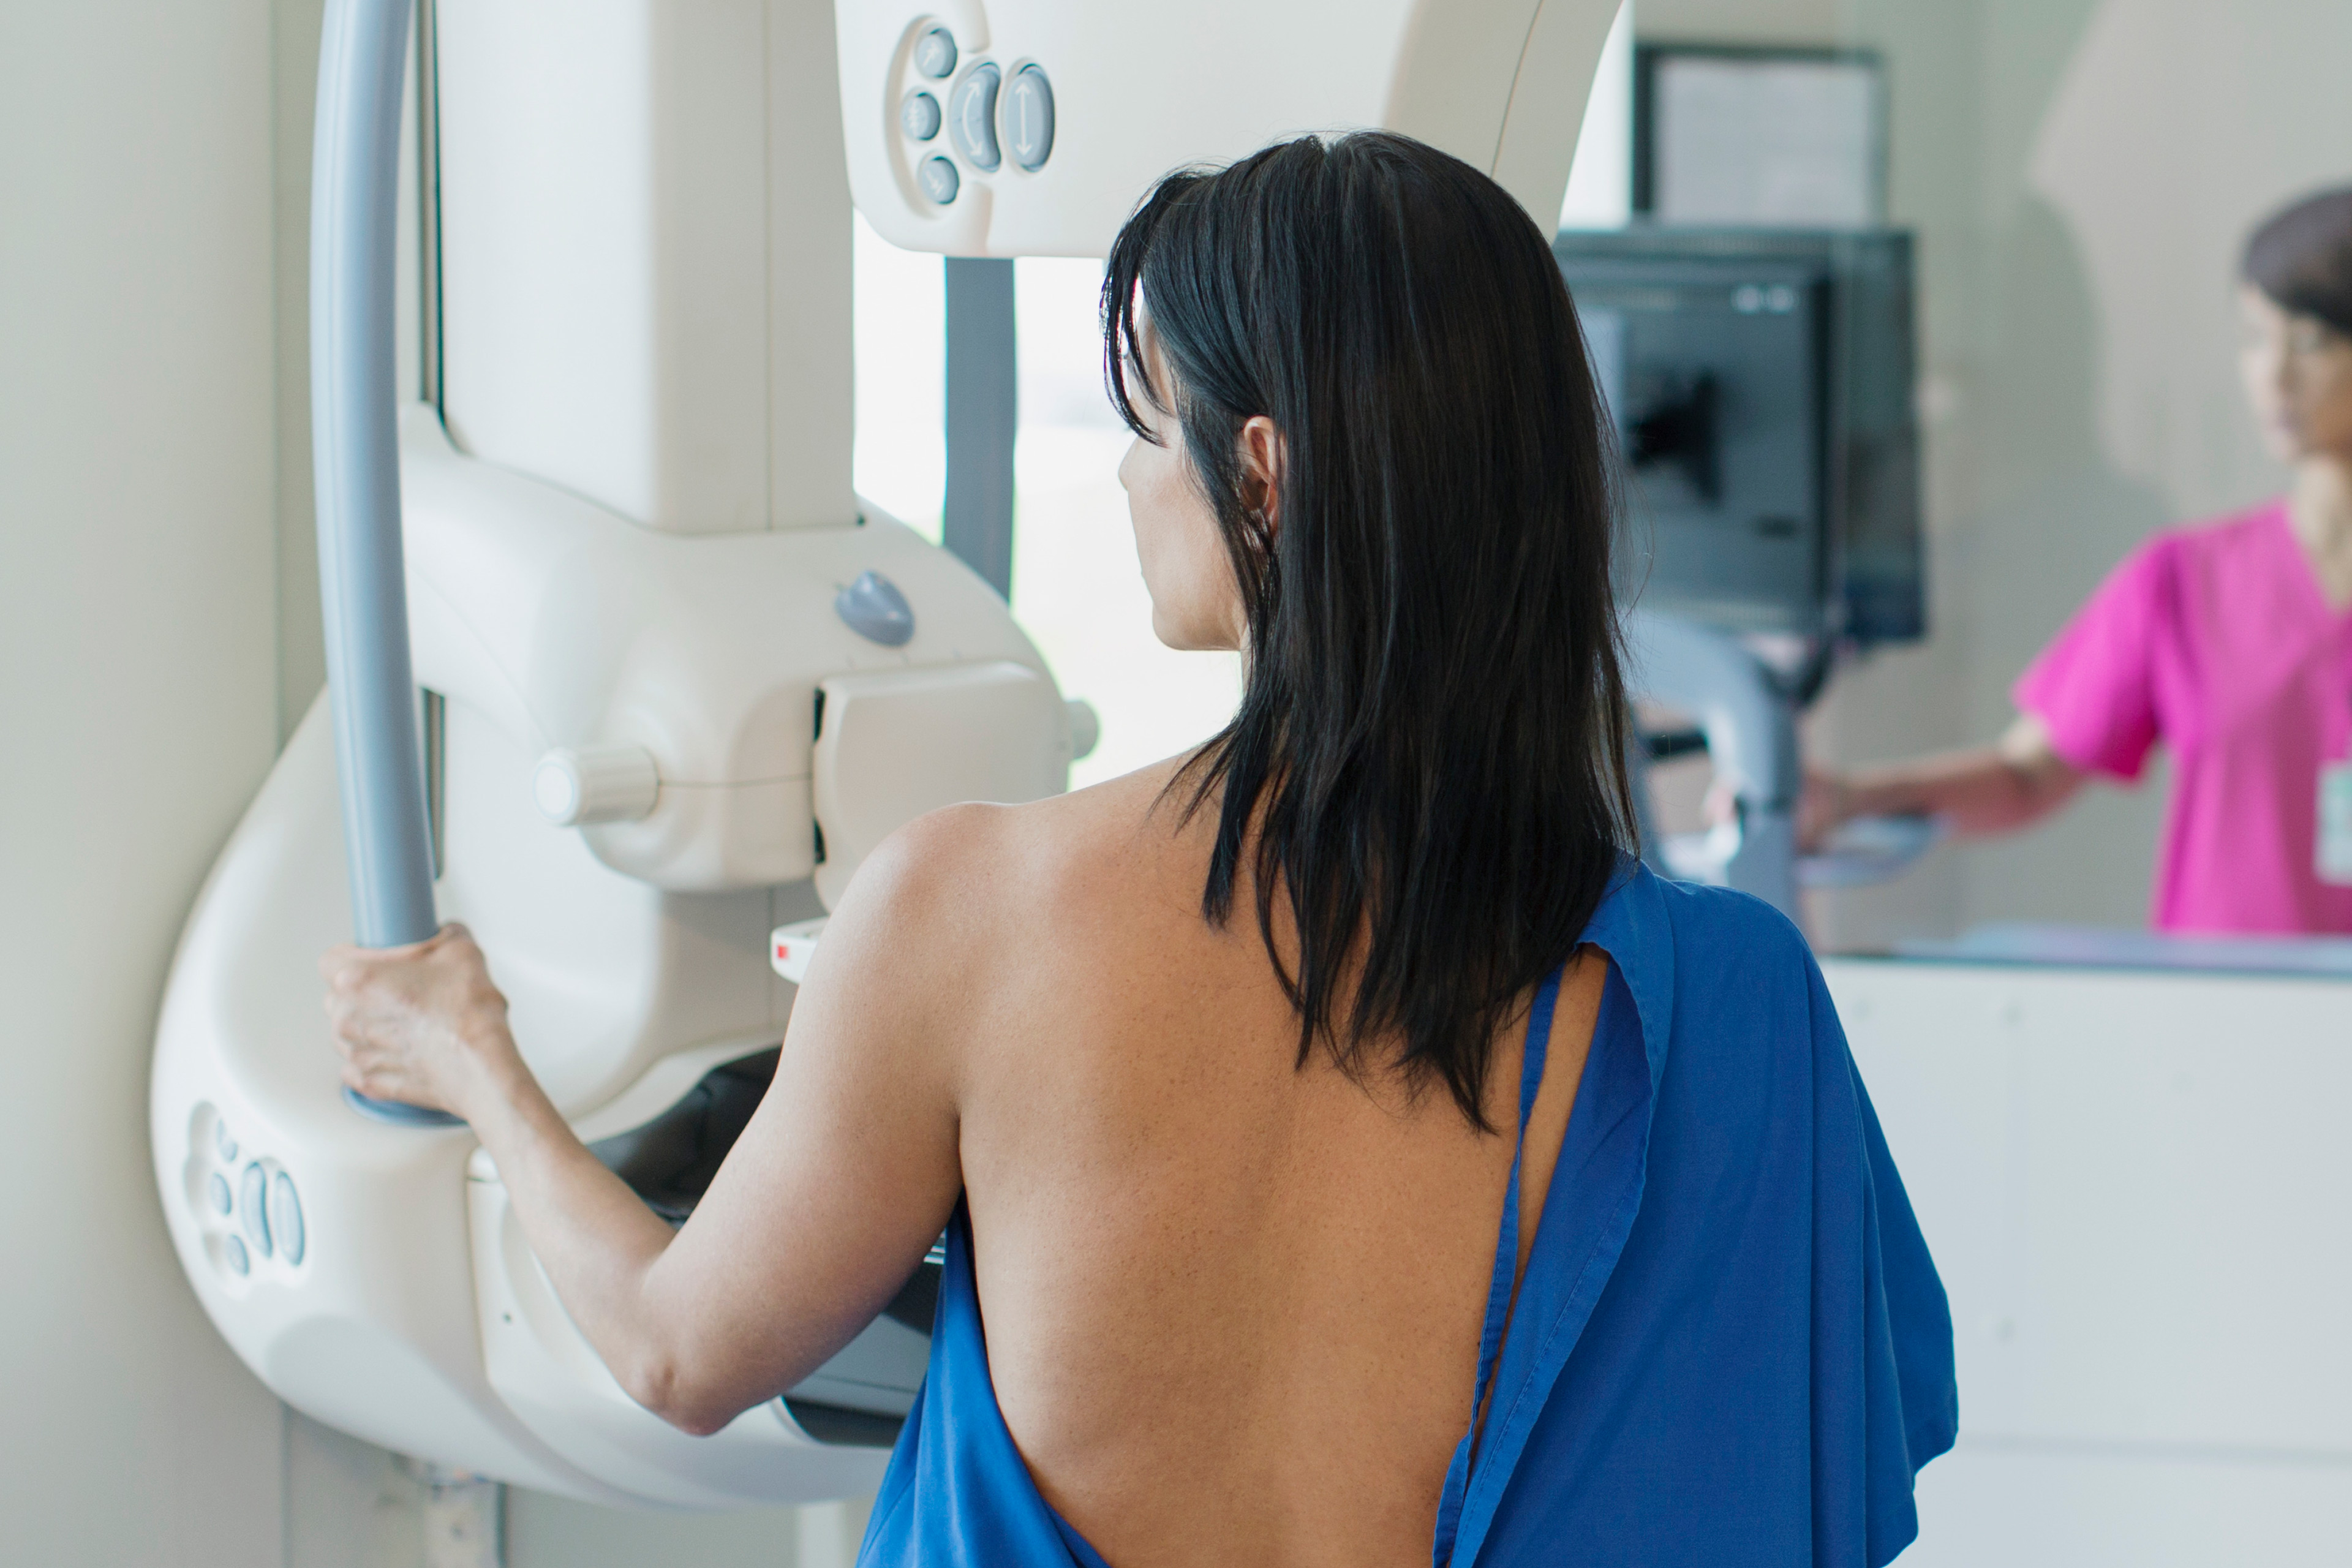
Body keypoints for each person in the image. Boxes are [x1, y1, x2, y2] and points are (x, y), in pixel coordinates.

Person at [322, 133, 1954, 1568]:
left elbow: (679, 1357)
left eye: (1143, 418)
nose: (1119, 473)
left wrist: (477, 1064)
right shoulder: (1733, 1005)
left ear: (1258, 471)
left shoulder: (967, 913)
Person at [1805, 186, 2352, 935]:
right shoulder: (2186, 580)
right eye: (2259, 337)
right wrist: (1847, 799)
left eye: (2313, 341)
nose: (2273, 375)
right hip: (2224, 1022)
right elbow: (2028, 775)